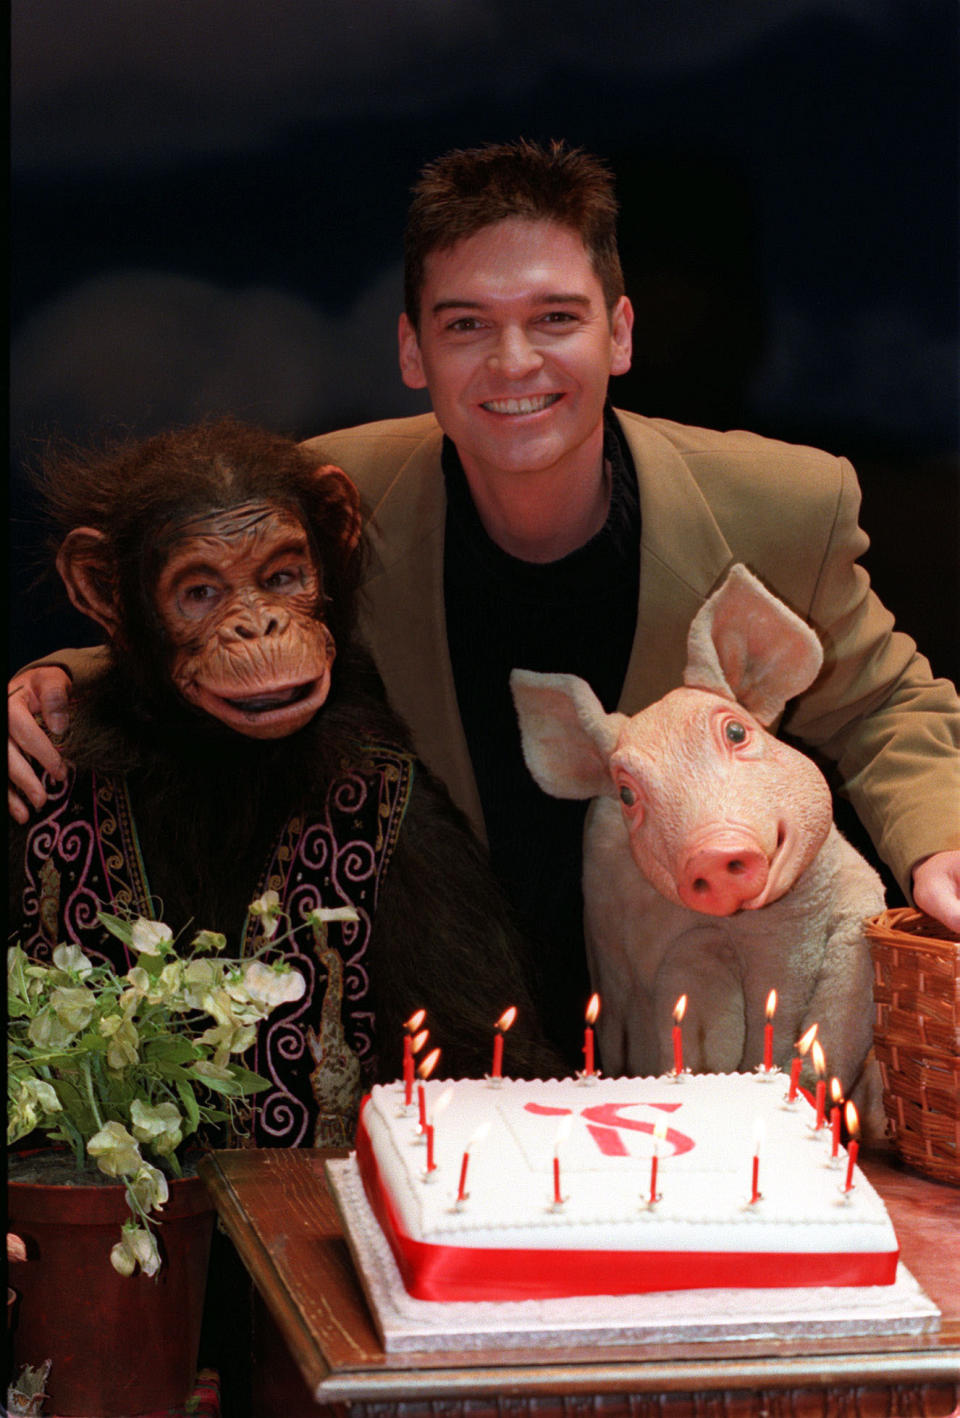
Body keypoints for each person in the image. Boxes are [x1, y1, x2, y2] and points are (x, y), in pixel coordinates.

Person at [9, 140, 960, 1068]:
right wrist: (61, 680)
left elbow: (884, 705)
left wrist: (941, 844)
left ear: (620, 334)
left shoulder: (782, 505)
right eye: (466, 325)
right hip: (448, 1032)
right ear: (412, 349)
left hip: (689, 1023)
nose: (513, 362)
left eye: (555, 318)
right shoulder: (335, 495)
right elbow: (213, 600)